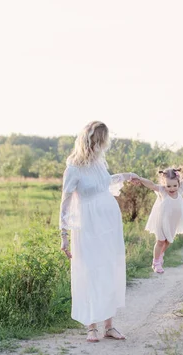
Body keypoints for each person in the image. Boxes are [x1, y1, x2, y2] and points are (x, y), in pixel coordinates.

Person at [59, 121, 137, 343]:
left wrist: (125, 175)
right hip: (88, 225)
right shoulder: (73, 168)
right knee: (91, 271)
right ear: (91, 140)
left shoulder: (99, 163)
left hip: (109, 224)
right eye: (100, 141)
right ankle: (91, 326)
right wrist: (63, 235)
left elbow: (103, 185)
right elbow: (65, 202)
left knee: (109, 269)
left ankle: (109, 325)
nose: (103, 145)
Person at [134, 164, 183, 273]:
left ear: (178, 183)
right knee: (160, 241)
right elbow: (151, 184)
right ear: (164, 184)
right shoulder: (162, 191)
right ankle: (156, 262)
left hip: (173, 221)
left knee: (169, 240)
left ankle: (160, 255)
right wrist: (140, 179)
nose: (172, 189)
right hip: (161, 220)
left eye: (175, 185)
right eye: (169, 186)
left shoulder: (180, 189)